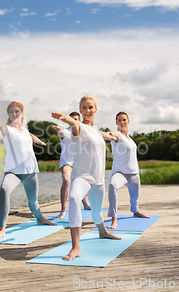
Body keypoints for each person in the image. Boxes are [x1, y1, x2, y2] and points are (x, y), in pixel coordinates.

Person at [52, 95, 120, 261]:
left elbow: (102, 134)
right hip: (82, 176)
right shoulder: (78, 127)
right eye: (84, 108)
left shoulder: (96, 130)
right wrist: (64, 118)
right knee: (74, 198)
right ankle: (75, 247)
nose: (87, 111)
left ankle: (102, 231)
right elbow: (73, 123)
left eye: (90, 107)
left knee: (97, 212)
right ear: (80, 110)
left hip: (98, 179)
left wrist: (112, 137)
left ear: (95, 109)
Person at [0, 101, 56, 240]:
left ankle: (40, 219)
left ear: (22, 113)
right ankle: (2, 229)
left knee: (33, 200)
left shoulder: (25, 131)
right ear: (8, 114)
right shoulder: (7, 130)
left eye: (17, 111)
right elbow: (1, 125)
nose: (14, 114)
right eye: (11, 112)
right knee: (4, 189)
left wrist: (37, 140)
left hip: (30, 171)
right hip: (13, 172)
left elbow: (28, 134)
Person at [107, 111, 149, 229]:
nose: (122, 122)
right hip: (121, 174)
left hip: (134, 174)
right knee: (113, 186)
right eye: (119, 120)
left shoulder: (129, 138)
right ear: (116, 122)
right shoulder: (117, 135)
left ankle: (135, 212)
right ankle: (114, 219)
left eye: (124, 120)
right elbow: (109, 135)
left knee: (135, 198)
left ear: (128, 122)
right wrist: (98, 133)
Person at [52, 111, 90, 219]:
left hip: (79, 162)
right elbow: (62, 133)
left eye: (76, 119)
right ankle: (63, 209)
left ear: (79, 121)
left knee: (81, 182)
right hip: (67, 162)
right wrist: (59, 130)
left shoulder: (83, 133)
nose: (73, 121)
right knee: (67, 181)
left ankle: (85, 203)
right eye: (71, 119)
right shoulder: (66, 131)